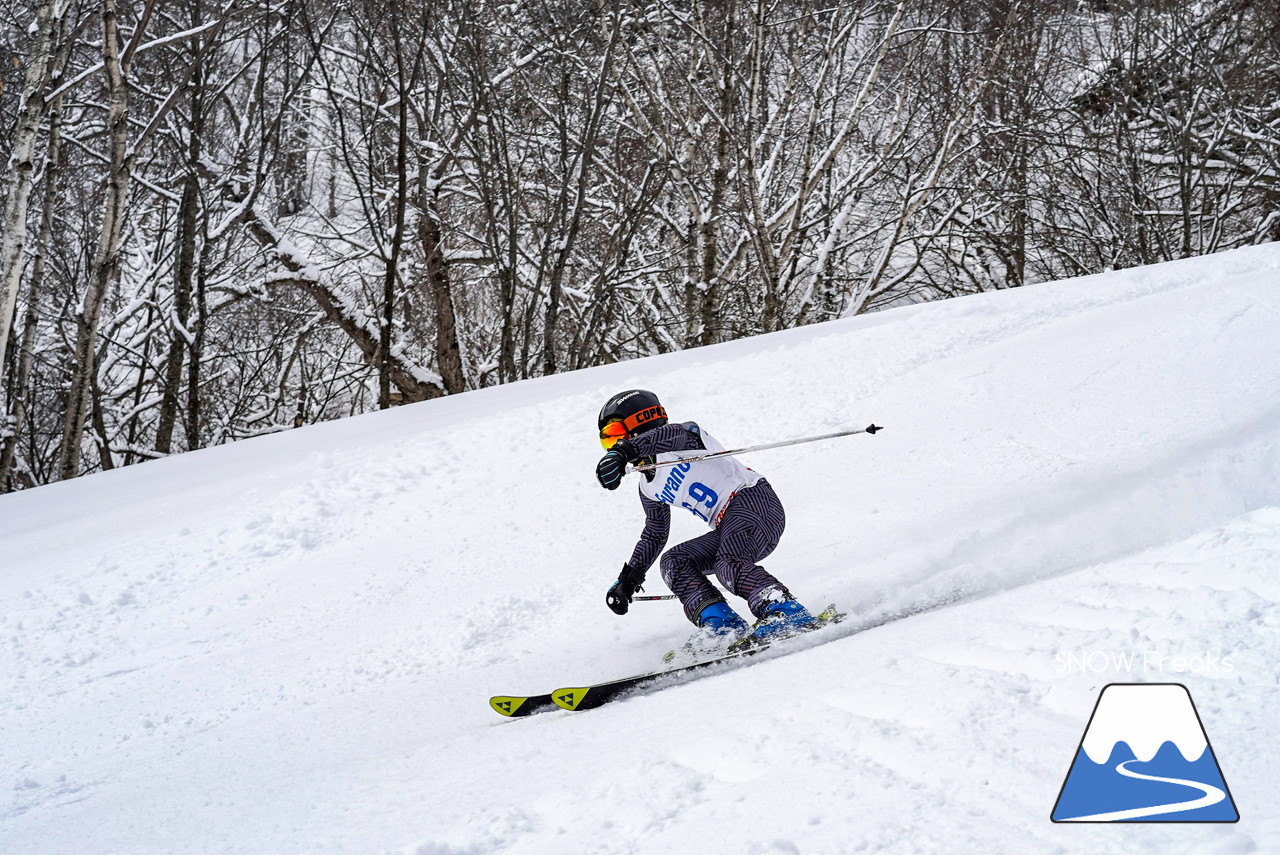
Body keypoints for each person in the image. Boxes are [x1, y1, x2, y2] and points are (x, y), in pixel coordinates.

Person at [594, 389, 818, 648]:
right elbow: (655, 533)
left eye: (614, 435)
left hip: (755, 503)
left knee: (728, 562)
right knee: (674, 562)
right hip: (730, 527)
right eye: (607, 441)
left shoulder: (684, 438)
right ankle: (722, 626)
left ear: (640, 422)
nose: (612, 445)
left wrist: (623, 452)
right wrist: (629, 579)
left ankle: (787, 612)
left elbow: (671, 433)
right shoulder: (647, 486)